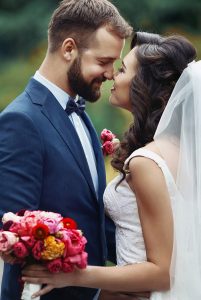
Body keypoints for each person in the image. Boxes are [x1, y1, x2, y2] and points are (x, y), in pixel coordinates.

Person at [22, 32, 200, 300]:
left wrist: (72, 275)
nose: (112, 76)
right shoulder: (180, 151)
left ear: (144, 84)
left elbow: (162, 271)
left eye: (123, 70)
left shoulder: (146, 163)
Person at [0, 0, 132, 299]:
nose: (111, 74)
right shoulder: (21, 120)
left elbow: (91, 217)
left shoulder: (81, 114)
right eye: (104, 61)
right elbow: (13, 228)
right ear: (69, 48)